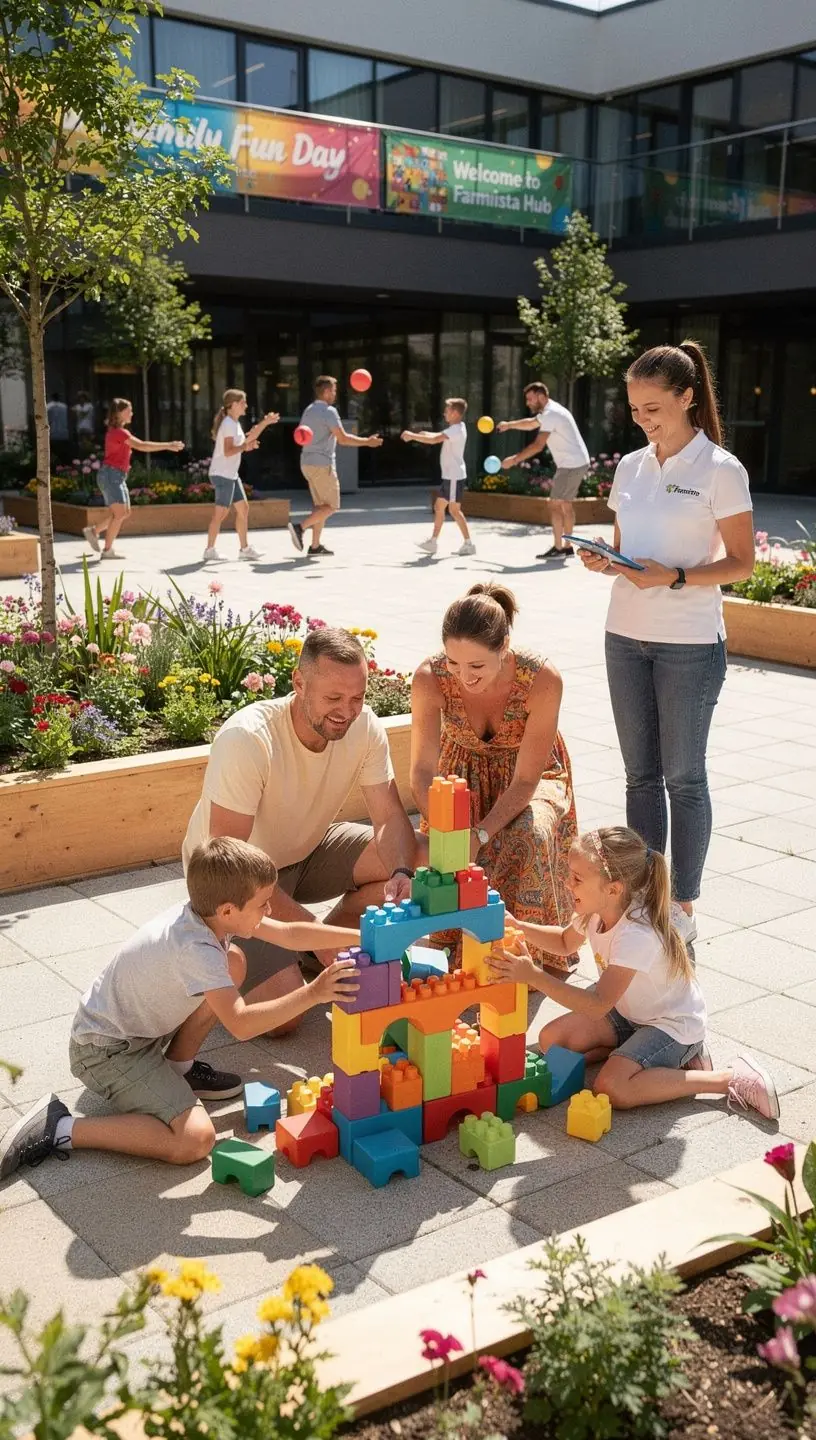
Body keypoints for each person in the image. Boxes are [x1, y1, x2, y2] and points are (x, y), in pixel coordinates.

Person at [0, 837, 360, 1179]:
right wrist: (314, 992)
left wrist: (364, 935)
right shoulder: (196, 948)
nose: (268, 910)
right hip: (104, 1054)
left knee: (232, 962)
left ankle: (178, 1069)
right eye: (262, 904)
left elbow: (289, 934)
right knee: (194, 1141)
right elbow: (240, 1024)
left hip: (135, 1032)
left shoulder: (210, 914)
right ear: (229, 909)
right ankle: (59, 1127)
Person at [577, 341, 754, 938]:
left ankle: (682, 906)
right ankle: (645, 895)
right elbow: (625, 542)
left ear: (686, 398)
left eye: (654, 407)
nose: (643, 418)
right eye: (634, 409)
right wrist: (607, 561)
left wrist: (674, 575)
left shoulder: (722, 471)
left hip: (689, 643)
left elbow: (741, 563)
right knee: (639, 776)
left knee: (683, 776)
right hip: (624, 634)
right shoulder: (629, 467)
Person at [183, 625, 420, 1027]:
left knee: (421, 859)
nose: (346, 710)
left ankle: (315, 946)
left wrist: (402, 871)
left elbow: (390, 817)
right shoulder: (247, 739)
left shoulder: (364, 727)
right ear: (298, 683)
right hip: (240, 881)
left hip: (307, 851)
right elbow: (229, 870)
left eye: (357, 698)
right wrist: (311, 931)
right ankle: (308, 946)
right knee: (284, 1021)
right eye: (333, 698)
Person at [490, 825, 779, 1119]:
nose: (567, 883)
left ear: (613, 889)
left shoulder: (635, 935)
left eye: (576, 878)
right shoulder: (597, 908)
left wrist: (534, 976)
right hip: (629, 1012)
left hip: (671, 1026)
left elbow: (597, 1004)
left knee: (612, 1087)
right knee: (553, 1038)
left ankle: (727, 1079)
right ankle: (654, 1064)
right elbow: (565, 942)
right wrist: (520, 928)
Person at [410, 582, 578, 973]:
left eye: (476, 666)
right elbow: (420, 772)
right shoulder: (429, 677)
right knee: (452, 846)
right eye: (453, 663)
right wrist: (443, 825)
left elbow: (526, 782)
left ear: (504, 647)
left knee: (527, 834)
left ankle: (527, 954)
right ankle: (463, 945)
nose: (463, 676)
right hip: (460, 775)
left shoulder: (543, 679)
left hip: (529, 774)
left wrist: (480, 834)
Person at [289, 375, 383, 558]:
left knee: (320, 507)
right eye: (332, 390)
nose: (334, 394)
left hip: (307, 462)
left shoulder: (309, 410)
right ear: (325, 392)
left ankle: (315, 546)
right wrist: (367, 442)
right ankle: (299, 528)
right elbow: (343, 438)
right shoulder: (329, 411)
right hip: (322, 464)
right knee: (332, 506)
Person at [497, 381, 590, 560]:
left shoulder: (551, 413)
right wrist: (509, 425)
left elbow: (538, 445)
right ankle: (567, 547)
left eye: (530, 399)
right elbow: (532, 423)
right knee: (564, 504)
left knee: (555, 504)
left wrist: (514, 460)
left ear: (541, 396)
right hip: (574, 462)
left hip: (571, 464)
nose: (528, 403)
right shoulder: (550, 411)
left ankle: (560, 548)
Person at [82, 398, 184, 560]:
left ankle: (94, 532)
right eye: (129, 410)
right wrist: (168, 445)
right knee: (120, 513)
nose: (132, 413)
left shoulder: (118, 431)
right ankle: (107, 550)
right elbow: (142, 445)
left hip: (116, 476)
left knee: (124, 512)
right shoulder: (120, 433)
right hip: (111, 476)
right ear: (119, 413)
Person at [204, 389, 278, 564]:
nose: (246, 405)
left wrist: (265, 423)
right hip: (223, 474)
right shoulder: (229, 424)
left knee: (243, 509)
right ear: (234, 405)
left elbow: (247, 439)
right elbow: (229, 451)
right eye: (243, 402)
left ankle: (244, 549)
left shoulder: (234, 423)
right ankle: (209, 550)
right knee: (220, 513)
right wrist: (245, 447)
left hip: (230, 474)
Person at [402, 397, 475, 557]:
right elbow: (437, 435)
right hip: (451, 477)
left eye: (447, 410)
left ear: (455, 413)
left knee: (454, 511)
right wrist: (423, 433)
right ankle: (433, 542)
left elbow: (435, 439)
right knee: (439, 507)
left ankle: (468, 544)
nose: (444, 413)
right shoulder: (457, 427)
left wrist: (413, 436)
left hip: (454, 477)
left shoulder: (456, 430)